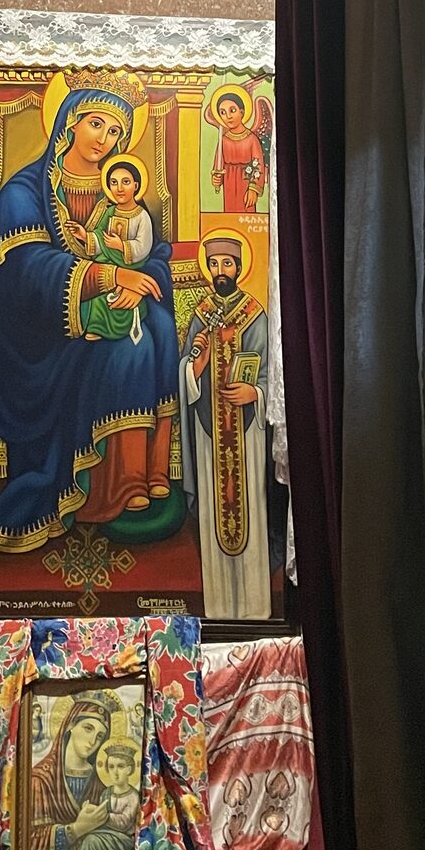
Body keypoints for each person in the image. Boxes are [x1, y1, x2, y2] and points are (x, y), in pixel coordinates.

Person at [0, 71, 179, 549]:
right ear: (68, 121)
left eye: (115, 134)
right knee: (125, 352)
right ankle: (93, 490)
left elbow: (154, 250)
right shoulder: (24, 192)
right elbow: (26, 271)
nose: (104, 141)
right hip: (41, 334)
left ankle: (141, 479)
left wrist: (141, 282)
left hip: (110, 309)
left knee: (157, 333)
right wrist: (108, 277)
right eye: (96, 125)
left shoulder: (121, 193)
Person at [179, 229, 272, 620]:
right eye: (214, 263)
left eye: (227, 263)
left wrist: (256, 393)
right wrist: (195, 366)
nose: (220, 270)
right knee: (215, 520)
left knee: (250, 514)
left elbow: (271, 373)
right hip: (208, 431)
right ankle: (217, 612)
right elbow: (184, 372)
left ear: (238, 267)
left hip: (246, 433)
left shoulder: (255, 313)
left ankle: (255, 609)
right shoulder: (199, 316)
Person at [28, 692, 125, 850]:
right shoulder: (40, 779)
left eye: (100, 736)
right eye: (88, 728)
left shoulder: (102, 781)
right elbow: (29, 844)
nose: (92, 741)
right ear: (70, 725)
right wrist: (76, 829)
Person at [68, 155, 154, 344]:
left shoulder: (142, 217)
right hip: (107, 263)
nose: (120, 188)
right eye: (114, 183)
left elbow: (143, 247)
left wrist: (121, 246)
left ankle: (118, 327)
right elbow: (100, 237)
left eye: (126, 182)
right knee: (97, 294)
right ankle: (96, 327)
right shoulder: (109, 212)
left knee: (119, 299)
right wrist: (84, 236)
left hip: (130, 267)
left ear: (136, 186)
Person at [205, 84, 272, 213]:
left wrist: (253, 189)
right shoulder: (223, 140)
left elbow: (259, 166)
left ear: (241, 112)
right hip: (230, 184)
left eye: (232, 110)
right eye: (222, 112)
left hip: (245, 182)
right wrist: (217, 178)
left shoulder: (252, 139)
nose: (228, 116)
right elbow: (218, 167)